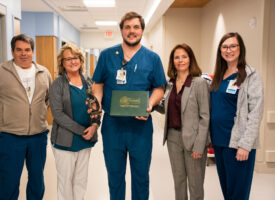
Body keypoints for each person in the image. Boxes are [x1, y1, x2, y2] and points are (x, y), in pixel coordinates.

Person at [91, 12, 166, 200]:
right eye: (127, 27)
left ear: (142, 30)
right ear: (121, 30)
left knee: (141, 177)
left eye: (136, 27)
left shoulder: (152, 58)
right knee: (115, 176)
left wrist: (149, 104)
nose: (132, 31)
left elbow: (159, 88)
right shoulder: (107, 55)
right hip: (113, 126)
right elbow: (97, 83)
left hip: (140, 126)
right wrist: (97, 100)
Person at [0, 34, 52, 200]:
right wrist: (3, 116)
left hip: (38, 136)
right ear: (12, 51)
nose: (24, 53)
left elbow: (48, 98)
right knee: (9, 181)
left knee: (37, 180)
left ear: (32, 52)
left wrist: (40, 115)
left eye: (27, 50)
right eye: (19, 50)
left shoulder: (43, 72)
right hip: (11, 136)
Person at [210, 32, 264, 200]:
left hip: (238, 144)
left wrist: (245, 145)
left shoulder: (250, 76)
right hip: (219, 142)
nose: (229, 50)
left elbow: (256, 112)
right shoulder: (219, 76)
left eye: (233, 46)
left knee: (238, 193)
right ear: (220, 50)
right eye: (225, 46)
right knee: (227, 190)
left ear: (241, 49)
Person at [156, 44, 210, 200]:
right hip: (173, 138)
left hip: (194, 140)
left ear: (190, 59)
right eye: (176, 57)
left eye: (184, 56)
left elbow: (205, 117)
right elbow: (165, 107)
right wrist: (147, 105)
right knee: (178, 182)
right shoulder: (169, 84)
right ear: (172, 61)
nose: (180, 60)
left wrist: (199, 146)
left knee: (195, 184)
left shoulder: (199, 83)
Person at [49, 43, 98, 200]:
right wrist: (81, 130)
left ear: (80, 59)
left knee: (81, 180)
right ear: (62, 63)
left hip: (86, 139)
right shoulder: (58, 84)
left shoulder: (88, 82)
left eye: (75, 57)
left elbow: (97, 108)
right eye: (67, 59)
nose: (72, 61)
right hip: (65, 141)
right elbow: (57, 114)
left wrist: (94, 126)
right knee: (65, 181)